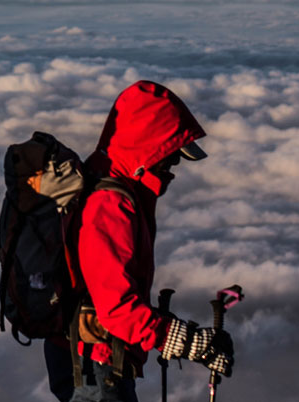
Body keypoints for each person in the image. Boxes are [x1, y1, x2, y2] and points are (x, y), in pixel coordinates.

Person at [45, 80, 233, 402]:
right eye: (171, 157)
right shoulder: (110, 204)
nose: (173, 168)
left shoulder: (109, 181)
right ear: (147, 151)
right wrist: (183, 340)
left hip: (91, 358)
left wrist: (175, 334)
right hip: (94, 368)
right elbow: (117, 310)